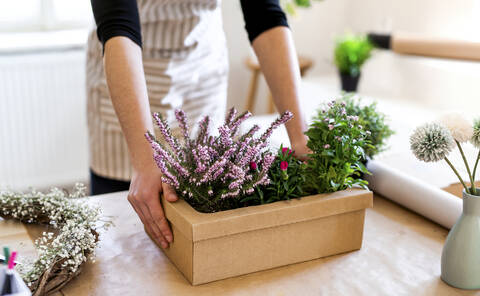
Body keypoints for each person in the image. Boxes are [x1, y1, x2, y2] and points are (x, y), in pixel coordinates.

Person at [88, 0, 309, 249]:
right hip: (130, 76)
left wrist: (299, 136)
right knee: (117, 238)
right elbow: (118, 25)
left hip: (201, 74)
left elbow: (265, 15)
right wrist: (143, 159)